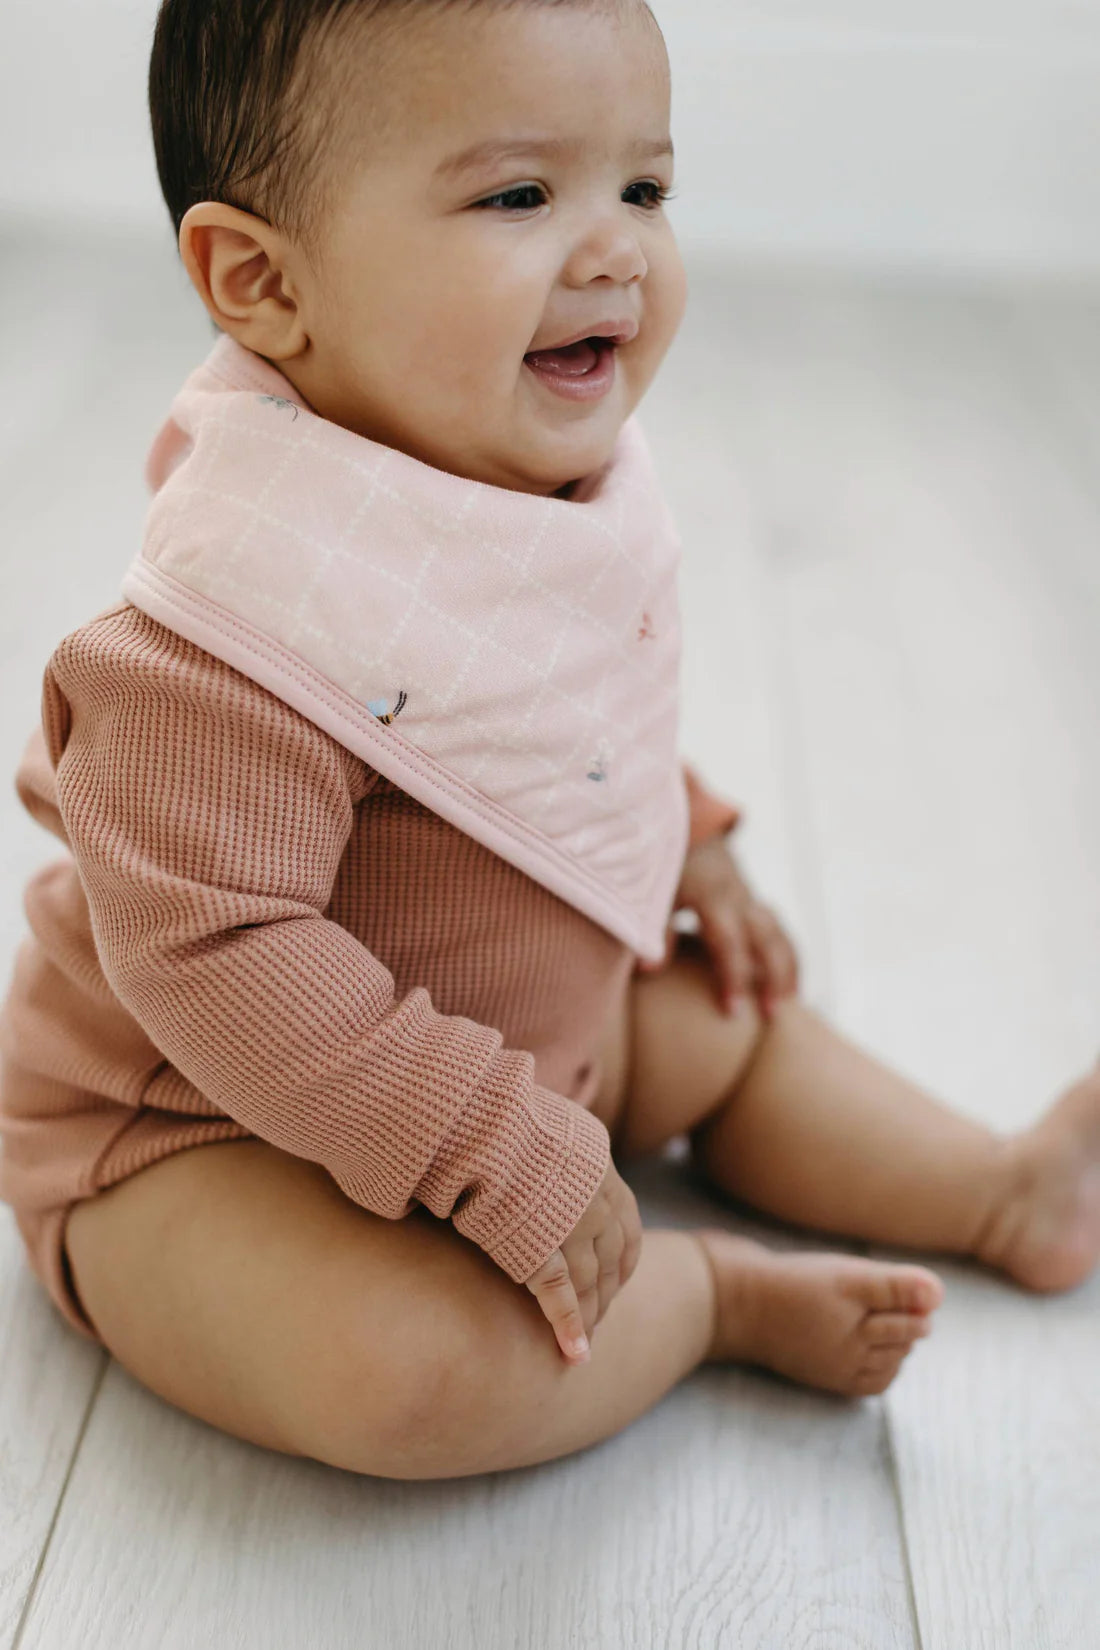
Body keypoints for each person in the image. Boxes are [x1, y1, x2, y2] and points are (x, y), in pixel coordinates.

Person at [1, 0, 1097, 1483]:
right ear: (261, 280)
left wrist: (686, 841)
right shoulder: (223, 630)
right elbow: (217, 953)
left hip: (536, 1011)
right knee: (404, 1372)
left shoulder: (529, 482)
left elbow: (562, 702)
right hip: (206, 1130)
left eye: (643, 187)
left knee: (723, 1012)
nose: (616, 249)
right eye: (521, 195)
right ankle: (705, 1297)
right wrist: (481, 1134)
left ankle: (997, 1186)